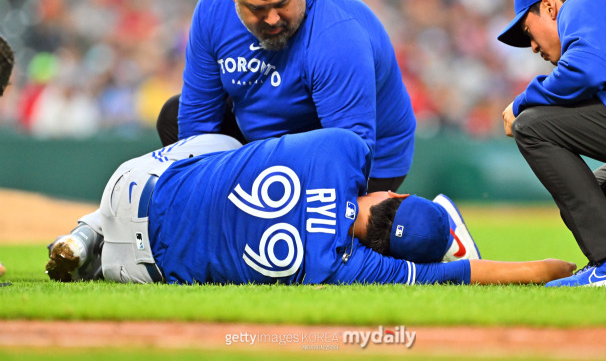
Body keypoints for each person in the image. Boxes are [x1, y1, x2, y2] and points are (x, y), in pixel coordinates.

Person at [46, 128, 575, 286]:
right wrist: (567, 272)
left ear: (397, 194)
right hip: (136, 269)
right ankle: (91, 249)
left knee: (226, 147)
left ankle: (85, 229)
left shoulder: (344, 149)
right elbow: (516, 271)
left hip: (132, 185)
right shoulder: (352, 267)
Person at [156, 0, 416, 193]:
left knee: (307, 217)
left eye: (282, 4)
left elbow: (351, 157)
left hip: (361, 159)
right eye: (258, 9)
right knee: (172, 117)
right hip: (266, 144)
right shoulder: (213, 8)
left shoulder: (337, 35)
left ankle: (399, 222)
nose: (272, 19)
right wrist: (199, 198)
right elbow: (197, 120)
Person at [498, 0, 606, 287]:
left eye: (528, 31)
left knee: (532, 125)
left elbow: (586, 72)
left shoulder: (585, 2)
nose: (532, 47)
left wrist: (522, 102)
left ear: (549, 6)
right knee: (602, 201)